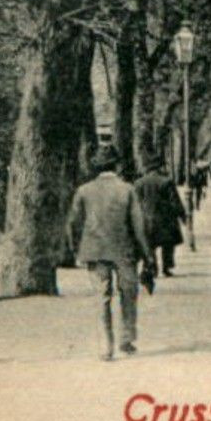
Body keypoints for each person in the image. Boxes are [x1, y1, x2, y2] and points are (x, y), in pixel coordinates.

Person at [67, 146, 153, 360]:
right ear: (117, 165)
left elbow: (73, 223)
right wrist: (147, 254)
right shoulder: (127, 189)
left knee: (101, 297)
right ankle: (127, 338)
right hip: (124, 250)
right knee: (128, 293)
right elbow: (138, 225)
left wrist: (76, 249)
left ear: (96, 166)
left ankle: (106, 345)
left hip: (94, 251)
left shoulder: (84, 190)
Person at [132, 156, 187, 277]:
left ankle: (152, 267)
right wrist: (182, 215)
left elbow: (135, 203)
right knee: (168, 245)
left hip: (146, 219)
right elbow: (174, 202)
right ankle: (166, 267)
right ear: (159, 167)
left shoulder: (139, 183)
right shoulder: (166, 181)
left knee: (149, 245)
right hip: (165, 220)